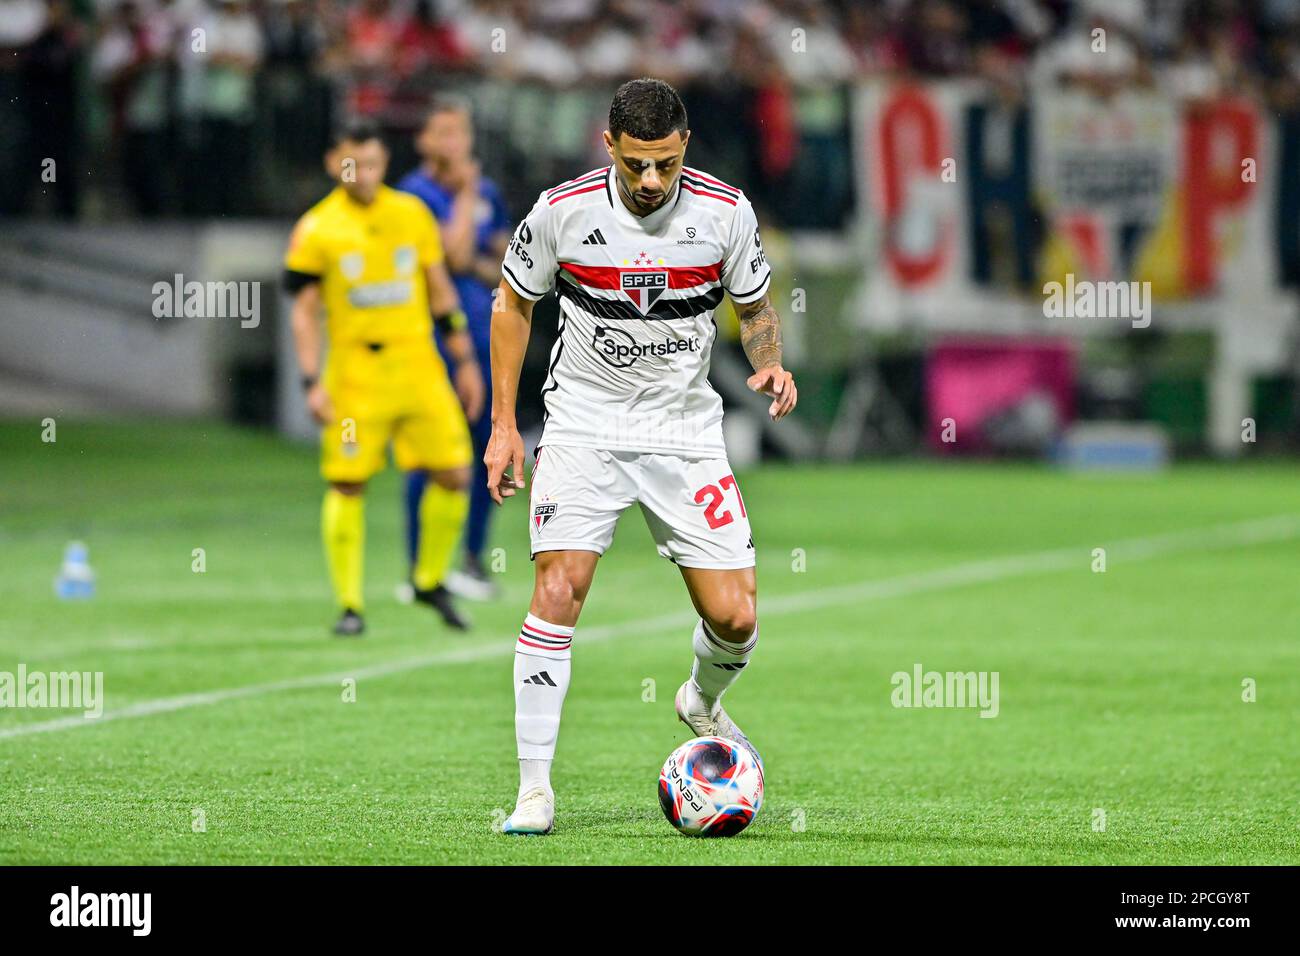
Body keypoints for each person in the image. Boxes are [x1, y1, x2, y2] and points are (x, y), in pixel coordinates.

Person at [485, 78, 798, 834]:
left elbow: (753, 304)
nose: (651, 181)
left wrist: (771, 361)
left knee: (737, 616)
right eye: (635, 166)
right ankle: (534, 791)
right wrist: (502, 423)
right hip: (583, 426)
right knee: (559, 589)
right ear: (609, 148)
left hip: (684, 433)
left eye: (663, 163)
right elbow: (512, 302)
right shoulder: (562, 211)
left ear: (684, 145)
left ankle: (699, 699)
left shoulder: (725, 213)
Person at [284, 121, 484, 637]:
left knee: (455, 472)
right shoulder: (317, 228)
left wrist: (463, 360)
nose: (365, 174)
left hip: (418, 364)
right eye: (354, 164)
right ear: (334, 164)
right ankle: (350, 604)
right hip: (356, 373)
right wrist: (311, 380)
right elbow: (305, 313)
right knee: (348, 482)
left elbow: (439, 290)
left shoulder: (410, 214)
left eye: (373, 163)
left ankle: (428, 579)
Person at [397, 96, 512, 600]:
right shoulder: (411, 196)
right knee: (431, 451)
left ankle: (471, 560)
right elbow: (454, 253)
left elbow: (509, 260)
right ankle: (423, 568)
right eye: (443, 132)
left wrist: (480, 266)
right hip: (434, 341)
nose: (455, 143)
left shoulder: (489, 191)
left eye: (460, 132)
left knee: (485, 446)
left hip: (487, 340)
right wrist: (465, 198)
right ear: (423, 140)